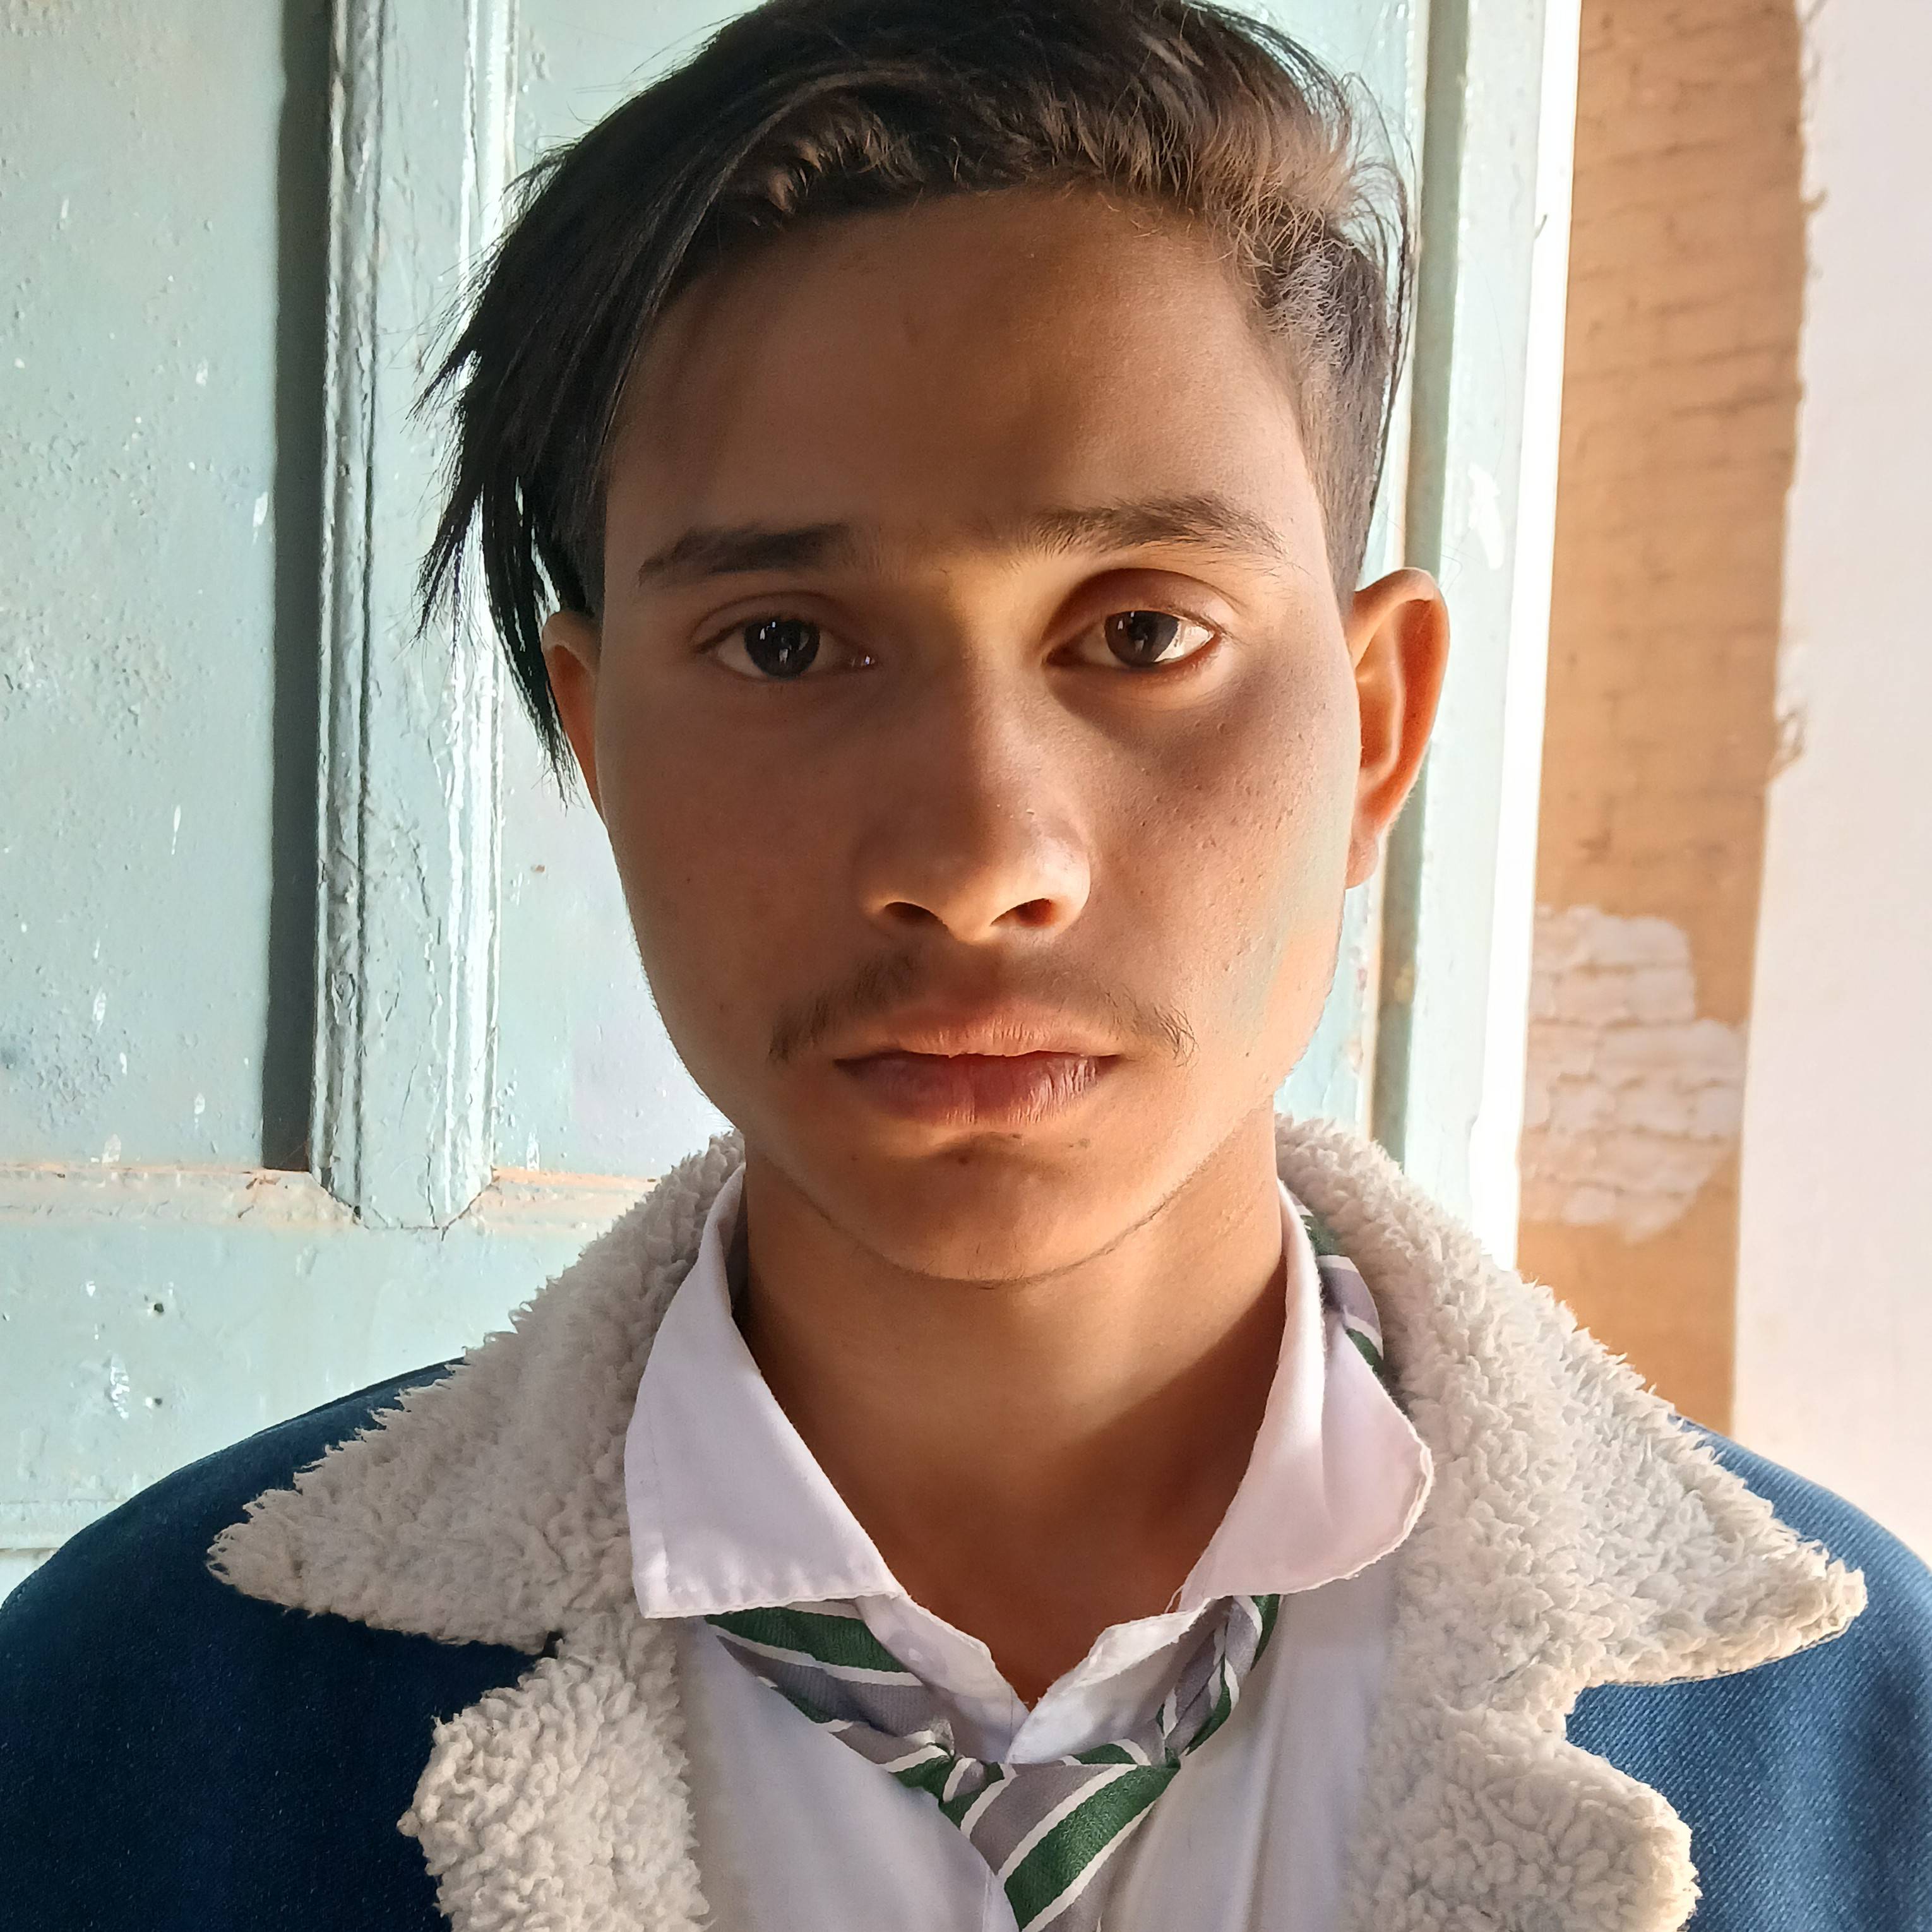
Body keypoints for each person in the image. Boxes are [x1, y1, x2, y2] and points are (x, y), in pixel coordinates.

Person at [3, 1, 1928, 1926]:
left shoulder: (1871, 1753)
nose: (978, 858)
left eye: (1140, 632)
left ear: (1375, 726)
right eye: (782, 643)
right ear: (598, 747)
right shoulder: (109, 1726)